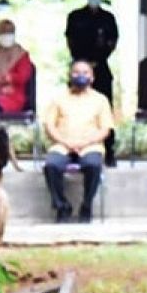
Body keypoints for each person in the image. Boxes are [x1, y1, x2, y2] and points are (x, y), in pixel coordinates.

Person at [42, 60, 114, 224]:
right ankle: (62, 206)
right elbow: (50, 126)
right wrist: (66, 142)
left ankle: (86, 206)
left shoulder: (101, 100)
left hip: (90, 145)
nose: (80, 76)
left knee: (93, 165)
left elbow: (105, 129)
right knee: (51, 165)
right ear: (69, 75)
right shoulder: (58, 99)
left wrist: (85, 143)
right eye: (76, 72)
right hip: (63, 145)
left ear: (92, 77)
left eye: (85, 73)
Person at [65, 0, 119, 167]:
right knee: (73, 108)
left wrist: (97, 60)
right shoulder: (75, 17)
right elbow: (71, 42)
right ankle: (73, 149)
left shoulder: (108, 18)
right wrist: (83, 65)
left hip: (101, 68)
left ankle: (109, 150)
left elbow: (112, 43)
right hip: (79, 67)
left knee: (105, 109)